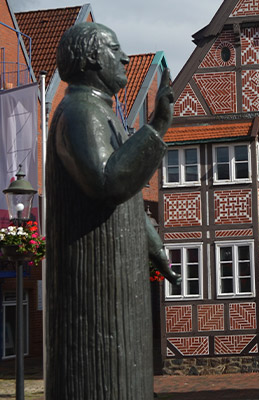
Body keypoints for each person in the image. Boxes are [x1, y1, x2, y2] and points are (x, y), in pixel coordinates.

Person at [46, 22, 179, 399]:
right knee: (105, 379)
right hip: (95, 292)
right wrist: (156, 126)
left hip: (118, 285)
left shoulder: (104, 113)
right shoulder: (79, 111)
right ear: (91, 58)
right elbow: (107, 183)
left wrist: (155, 247)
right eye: (115, 49)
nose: (123, 57)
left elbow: (131, 198)